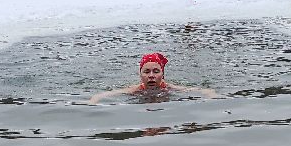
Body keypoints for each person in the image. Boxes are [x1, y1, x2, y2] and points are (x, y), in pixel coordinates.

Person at [88, 52, 217, 103]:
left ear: (162, 74)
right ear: (140, 75)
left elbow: (201, 91)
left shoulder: (168, 88)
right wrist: (92, 102)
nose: (151, 76)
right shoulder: (136, 89)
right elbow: (101, 95)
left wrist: (212, 97)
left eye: (156, 72)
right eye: (146, 72)